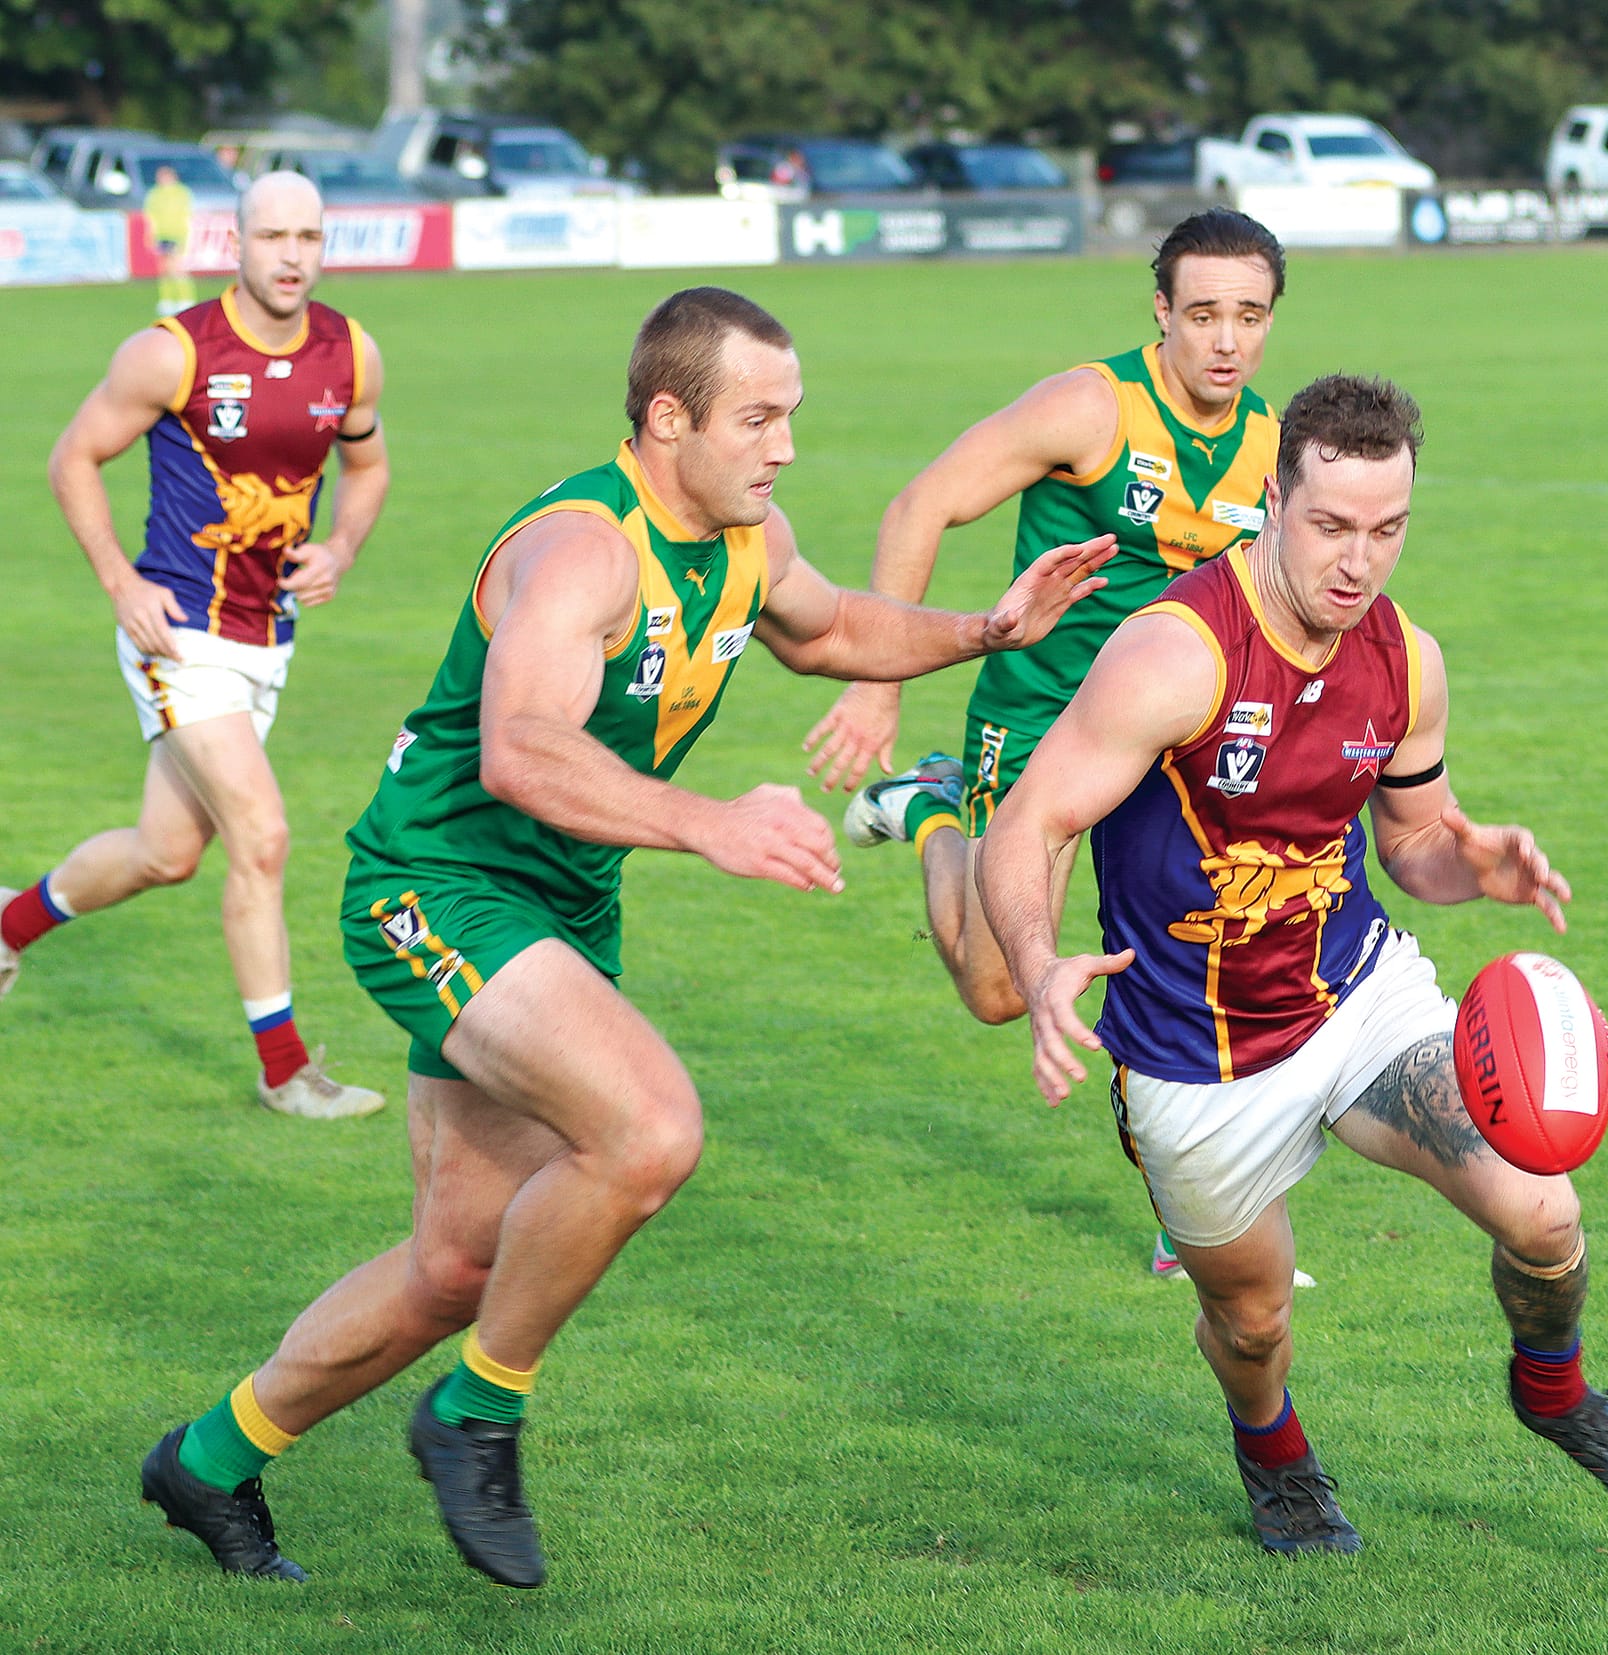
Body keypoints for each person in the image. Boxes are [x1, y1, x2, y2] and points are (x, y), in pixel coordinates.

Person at [136, 286, 1117, 1589]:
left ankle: (206, 1458)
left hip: (556, 905)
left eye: (791, 417)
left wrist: (987, 629)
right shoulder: (583, 548)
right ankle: (478, 1412)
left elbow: (830, 628)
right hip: (438, 883)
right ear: (669, 418)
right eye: (759, 419)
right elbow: (520, 745)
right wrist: (708, 821)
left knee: (459, 1259)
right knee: (652, 1126)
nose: (783, 447)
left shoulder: (744, 537)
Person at [977, 373, 1608, 1554]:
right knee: (1252, 1321)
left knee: (1541, 1206)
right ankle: (1273, 1452)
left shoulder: (1405, 660)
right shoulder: (1174, 654)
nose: (1357, 561)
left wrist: (1478, 866)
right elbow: (1034, 821)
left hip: (1356, 998)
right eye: (1328, 526)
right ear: (1271, 502)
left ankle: (1555, 1390)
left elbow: (1413, 840)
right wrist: (1036, 957)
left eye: (1385, 528)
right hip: (1194, 1058)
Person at [807, 207, 1285, 1281]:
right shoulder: (1089, 406)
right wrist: (878, 689)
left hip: (1166, 742)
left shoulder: (1269, 447)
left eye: (1247, 316)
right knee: (998, 990)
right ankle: (931, 805)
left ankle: (1192, 1215)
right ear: (1159, 311)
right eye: (1201, 312)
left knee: (1208, 952)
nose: (1224, 339)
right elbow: (919, 503)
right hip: (1033, 726)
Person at [2, 172, 388, 1119]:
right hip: (177, 632)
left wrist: (340, 544)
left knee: (165, 852)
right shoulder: (172, 352)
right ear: (238, 243)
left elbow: (368, 464)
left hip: (268, 638)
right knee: (262, 834)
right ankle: (287, 1072)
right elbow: (72, 458)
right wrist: (119, 582)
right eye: (273, 236)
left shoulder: (352, 352)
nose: (292, 255)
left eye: (308, 236)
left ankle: (7, 923)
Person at [142, 163, 197, 318]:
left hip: (177, 234)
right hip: (162, 235)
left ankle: (186, 299)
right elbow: (151, 217)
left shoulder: (181, 193)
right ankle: (167, 300)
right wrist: (150, 235)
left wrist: (186, 237)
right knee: (163, 268)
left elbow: (188, 215)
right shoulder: (154, 193)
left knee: (177, 267)